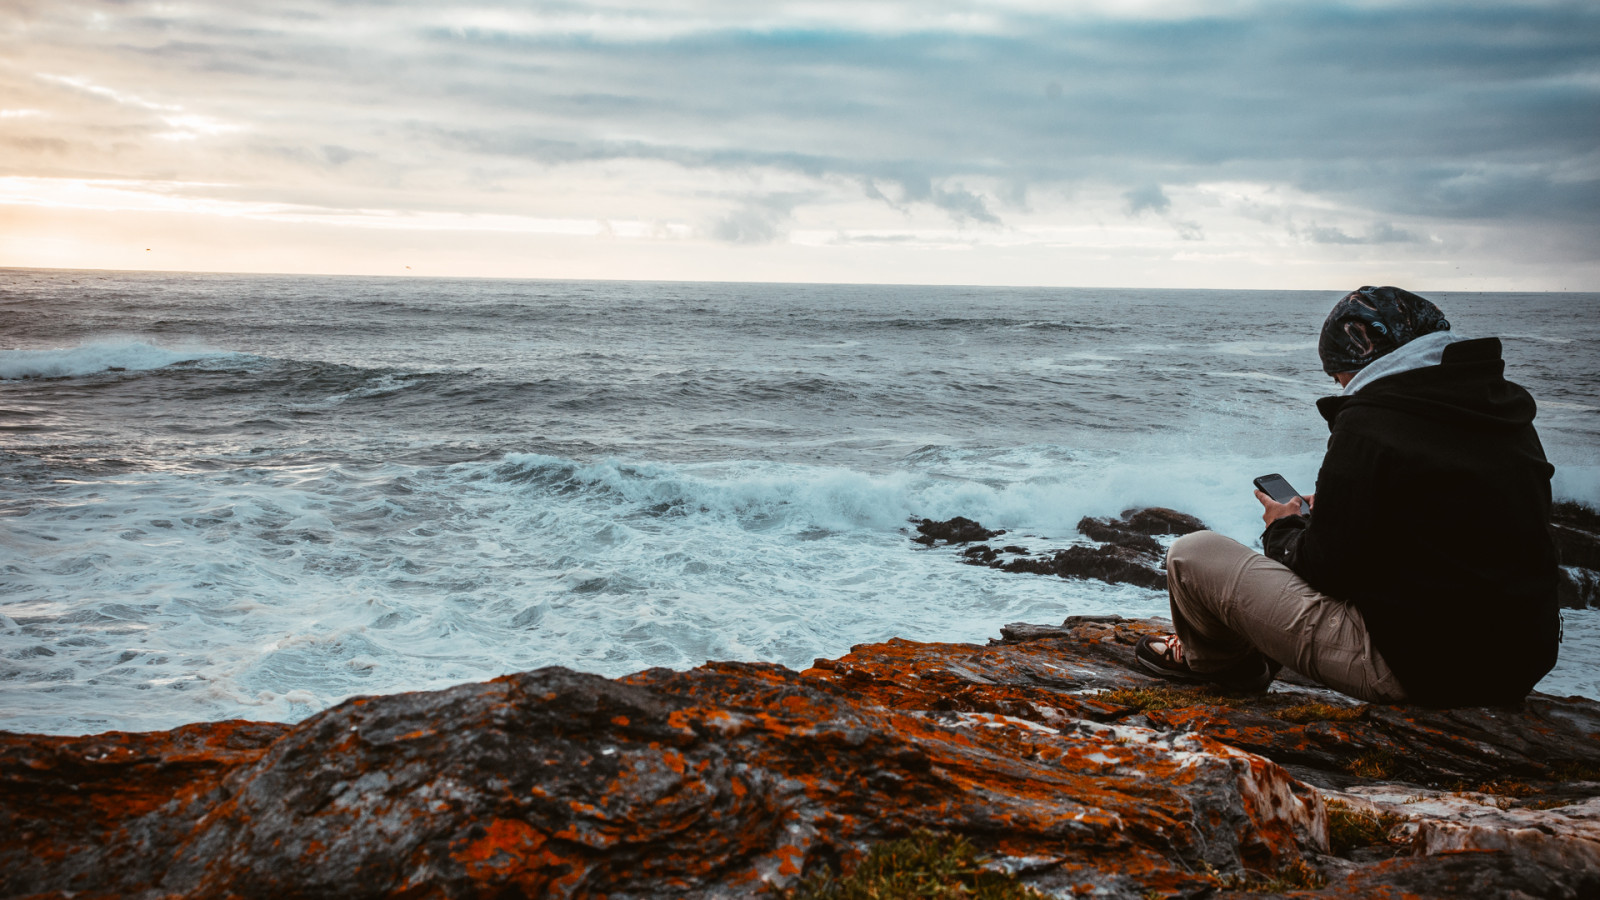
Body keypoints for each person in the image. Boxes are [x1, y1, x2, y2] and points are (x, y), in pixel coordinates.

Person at [1134, 286, 1560, 706]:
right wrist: (1346, 509)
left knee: (1193, 554)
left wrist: (1284, 524)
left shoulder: (1373, 419)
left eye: (1336, 372)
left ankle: (1224, 666)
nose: (1337, 384)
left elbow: (1321, 569)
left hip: (1420, 671)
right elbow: (1451, 524)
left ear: (1360, 357)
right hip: (1518, 665)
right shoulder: (1501, 408)